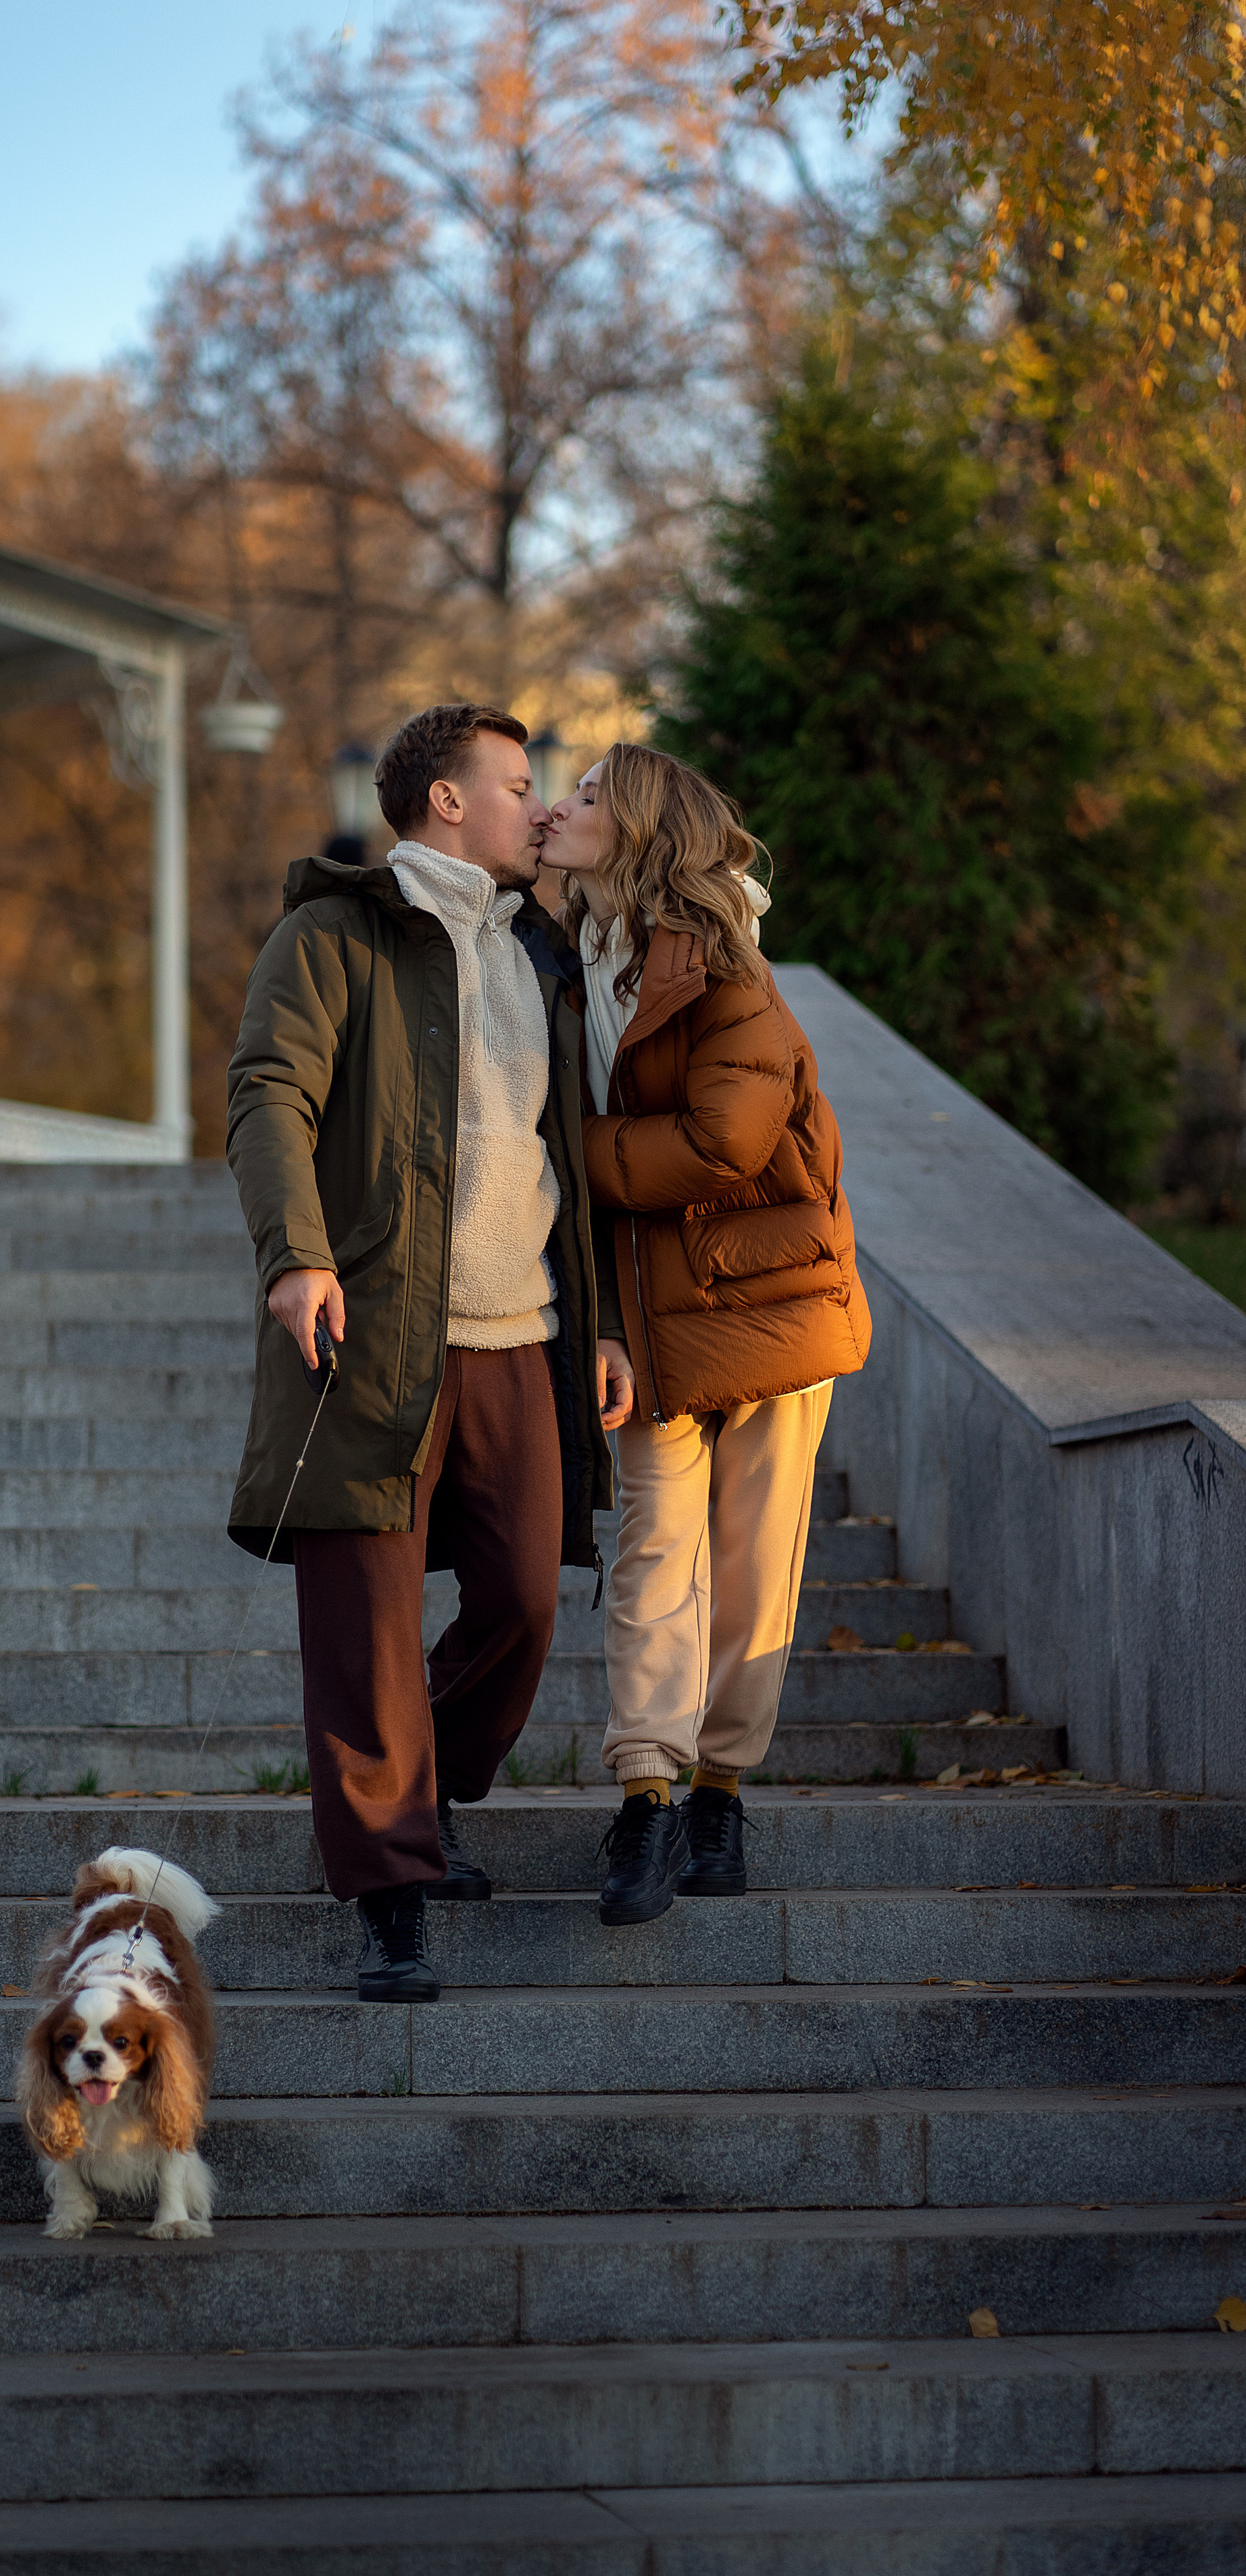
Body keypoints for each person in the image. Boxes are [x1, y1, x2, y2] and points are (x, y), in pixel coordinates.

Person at [226, 703, 634, 2001]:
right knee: (365, 1623)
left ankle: (422, 1788)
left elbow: (578, 1161)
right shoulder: (333, 934)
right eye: (520, 786)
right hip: (375, 1331)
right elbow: (267, 1095)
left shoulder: (546, 954)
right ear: (447, 803)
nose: (540, 806)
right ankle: (391, 1885)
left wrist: (611, 1326)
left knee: (521, 1600)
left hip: (525, 1337)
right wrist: (297, 1255)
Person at [539, 744, 871, 1923]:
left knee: (751, 1558)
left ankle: (722, 1789)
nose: (558, 805)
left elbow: (725, 1139)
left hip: (769, 1301)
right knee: (649, 1556)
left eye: (583, 794)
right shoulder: (567, 960)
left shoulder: (730, 965)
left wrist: (563, 1155)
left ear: (634, 827)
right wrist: (612, 1325)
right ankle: (646, 1795)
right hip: (652, 1319)